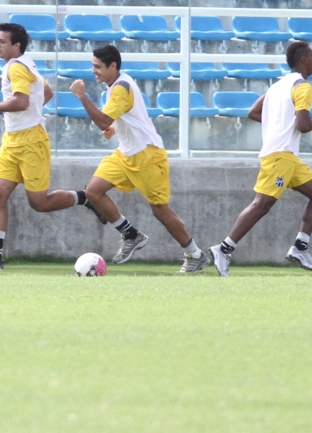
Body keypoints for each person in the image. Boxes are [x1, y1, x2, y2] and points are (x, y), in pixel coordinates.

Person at [0, 23, 103, 271]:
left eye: (2, 41)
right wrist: (27, 112)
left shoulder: (17, 67)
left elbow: (21, 102)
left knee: (39, 203)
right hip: (12, 140)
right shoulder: (27, 64)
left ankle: (84, 197)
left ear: (16, 46)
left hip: (31, 142)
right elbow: (44, 93)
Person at [69, 45, 209, 271]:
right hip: (126, 153)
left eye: (97, 66)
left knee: (161, 211)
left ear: (113, 66)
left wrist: (82, 96)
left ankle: (195, 254)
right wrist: (114, 128)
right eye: (92, 66)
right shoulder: (115, 86)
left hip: (147, 156)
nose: (93, 71)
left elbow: (104, 120)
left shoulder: (121, 87)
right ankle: (131, 235)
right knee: (93, 192)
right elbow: (122, 117)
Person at [208, 41, 312, 277]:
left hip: (288, 157)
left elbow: (253, 112)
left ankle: (300, 247)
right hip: (280, 156)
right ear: (303, 60)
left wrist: (279, 123)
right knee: (262, 204)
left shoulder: (277, 86)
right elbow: (304, 126)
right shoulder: (302, 87)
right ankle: (223, 249)